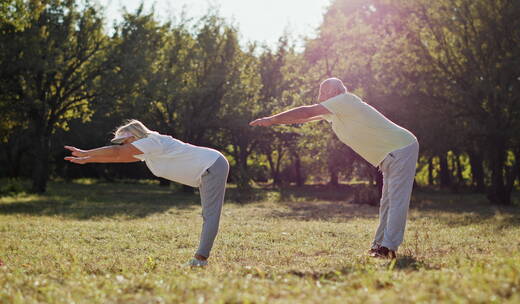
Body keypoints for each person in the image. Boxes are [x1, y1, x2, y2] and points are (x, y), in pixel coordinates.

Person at [250, 78, 418, 259]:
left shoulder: (345, 100)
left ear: (334, 92)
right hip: (391, 154)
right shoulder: (334, 112)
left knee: (396, 201)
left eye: (323, 91)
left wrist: (271, 119)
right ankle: (379, 246)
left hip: (401, 148)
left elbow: (307, 111)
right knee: (387, 202)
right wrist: (274, 122)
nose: (319, 96)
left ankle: (389, 248)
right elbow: (302, 117)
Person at [64, 119, 229, 267]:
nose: (124, 145)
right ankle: (201, 259)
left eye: (125, 141)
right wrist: (87, 159)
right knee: (209, 215)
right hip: (207, 167)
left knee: (210, 215)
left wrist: (86, 152)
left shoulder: (152, 142)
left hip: (212, 164)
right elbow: (119, 157)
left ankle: (200, 259)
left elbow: (117, 152)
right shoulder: (148, 151)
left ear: (135, 136)